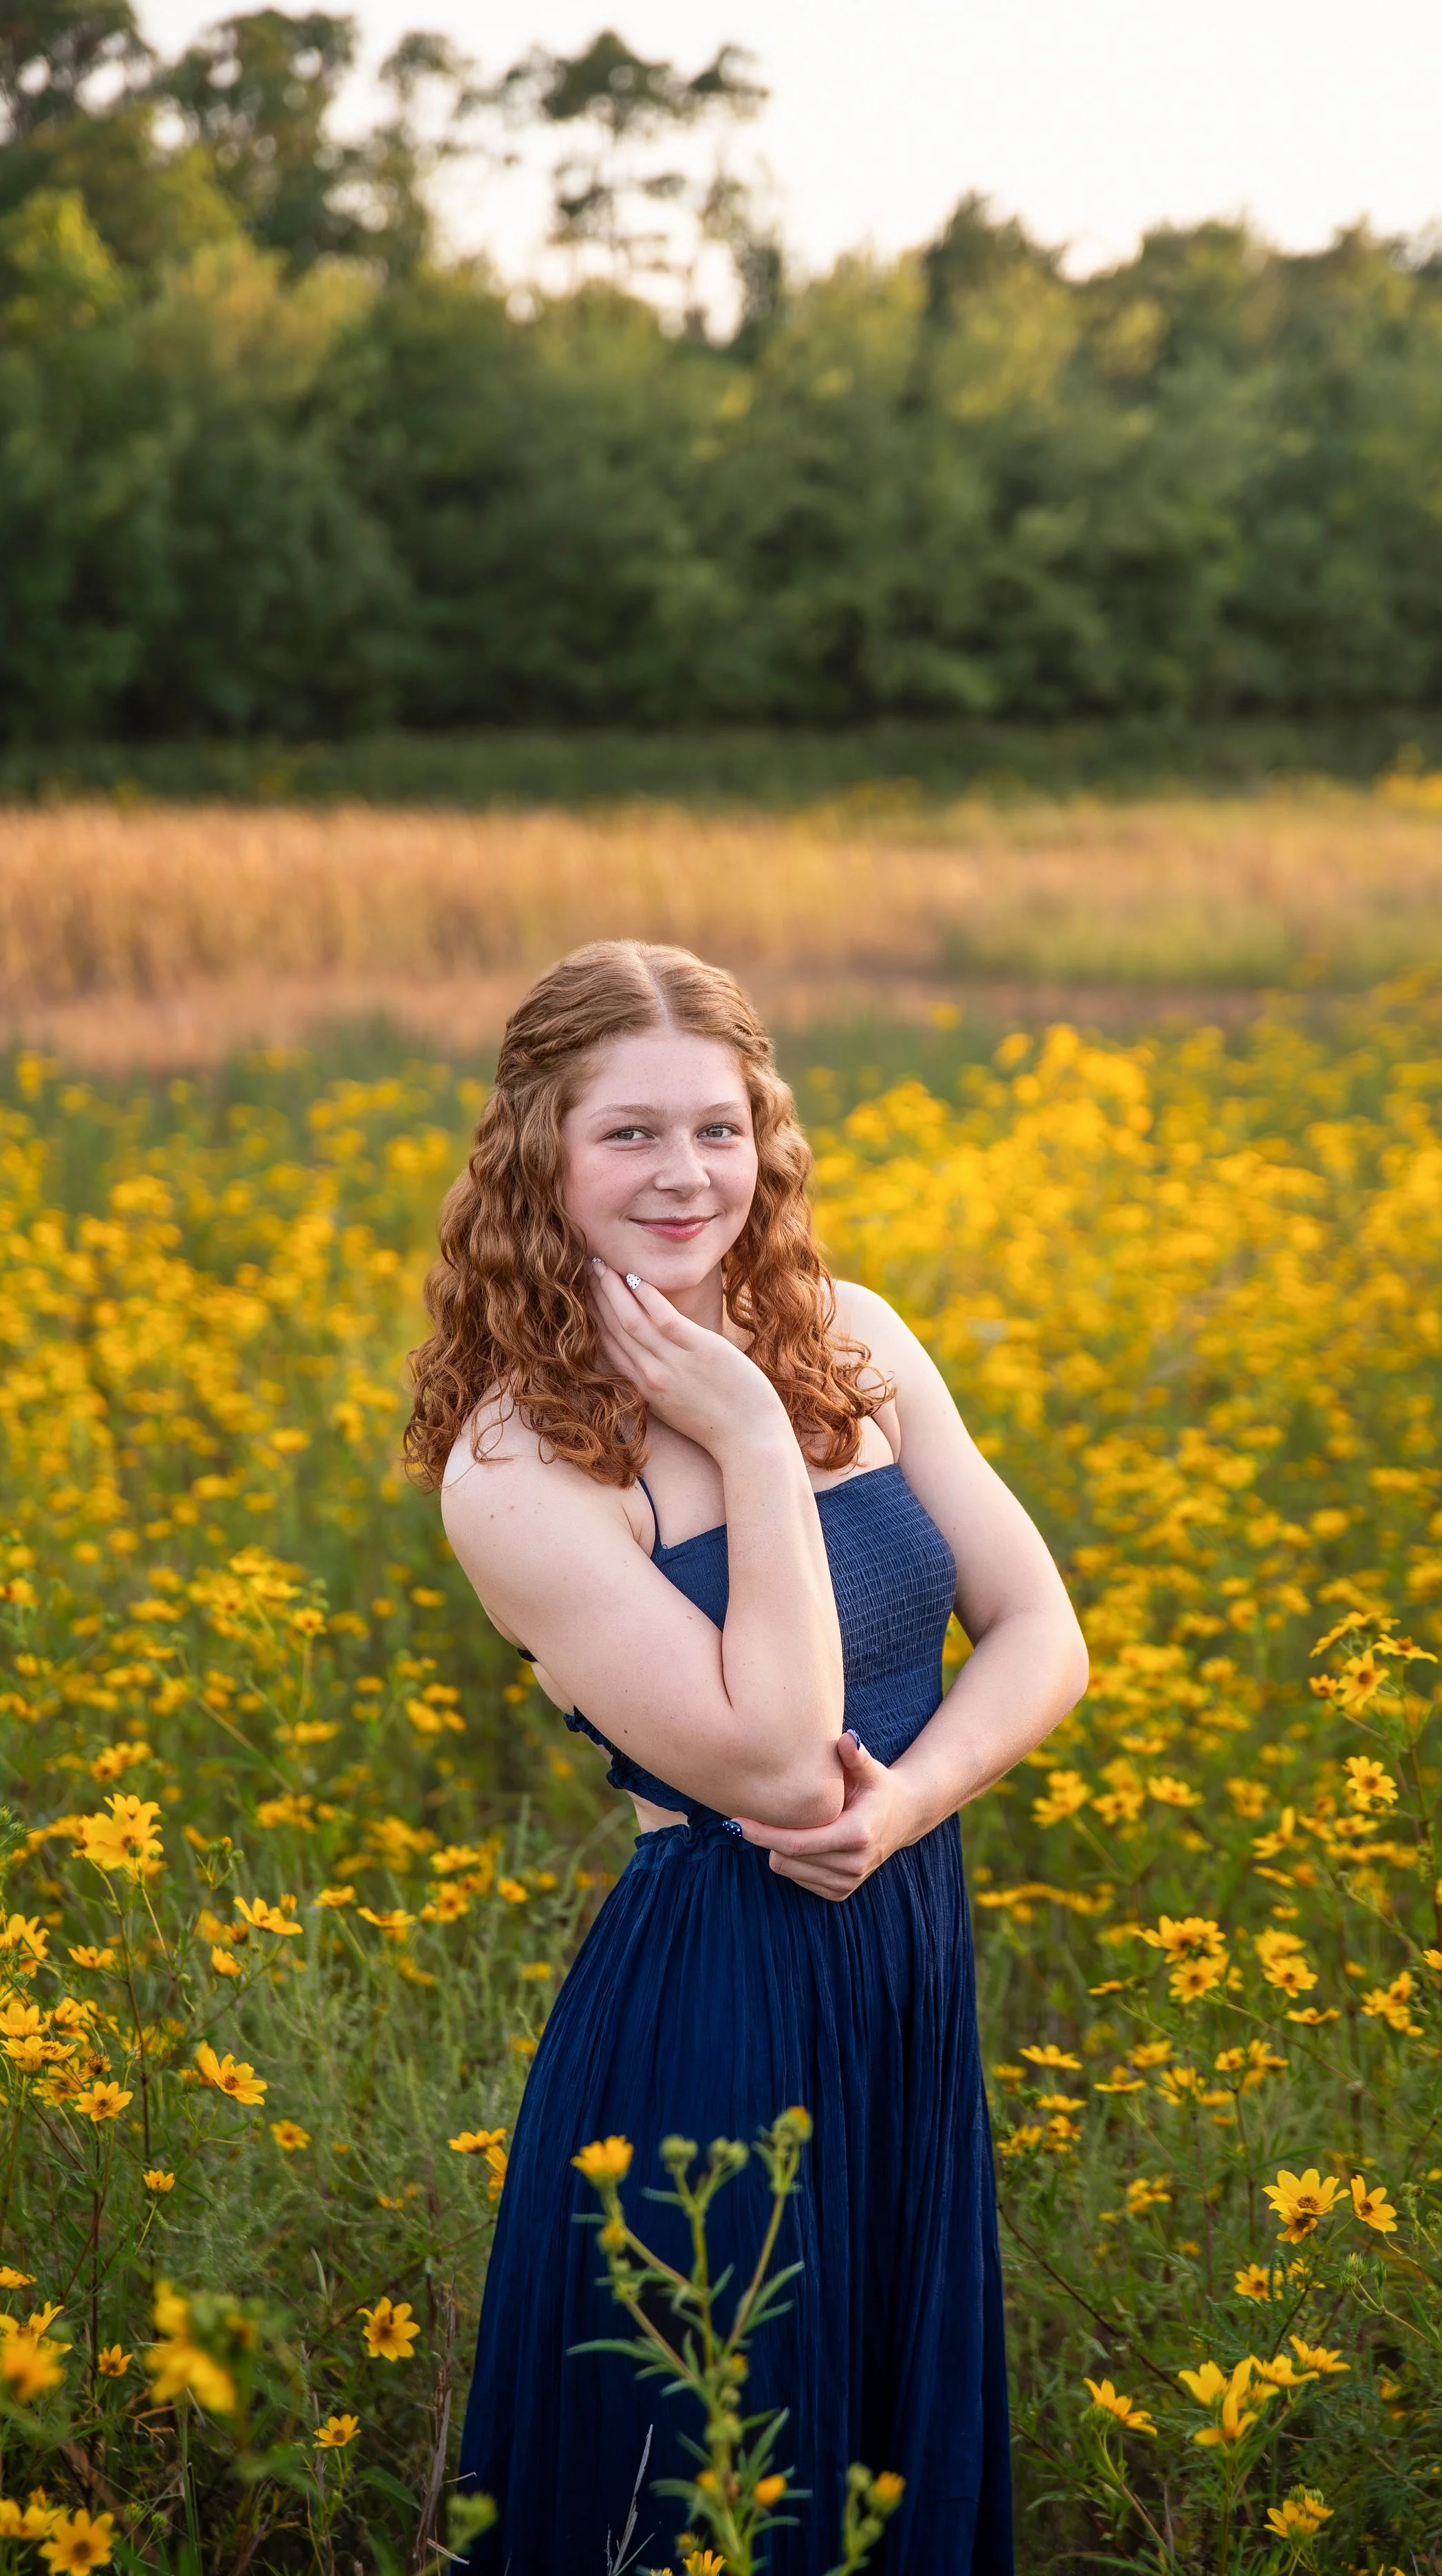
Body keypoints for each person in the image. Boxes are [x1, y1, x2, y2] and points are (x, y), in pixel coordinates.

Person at [405, 940, 1088, 2575]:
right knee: (727, 2479)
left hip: (901, 1952)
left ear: (765, 1135)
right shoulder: (516, 1464)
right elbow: (777, 1772)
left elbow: (1040, 1632)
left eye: (716, 1128)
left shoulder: (854, 1332)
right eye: (628, 1133)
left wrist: (907, 1806)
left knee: (879, 2454)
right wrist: (755, 1440)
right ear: (538, 1154)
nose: (683, 1174)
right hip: (719, 1992)